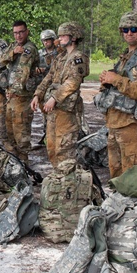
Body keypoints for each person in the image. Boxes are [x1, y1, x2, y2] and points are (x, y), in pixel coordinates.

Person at [96, 11, 137, 179]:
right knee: (116, 176)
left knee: (134, 179)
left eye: (134, 29)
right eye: (125, 29)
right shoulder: (125, 57)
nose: (129, 33)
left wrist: (117, 80)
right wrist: (107, 83)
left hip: (133, 126)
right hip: (115, 124)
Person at [33, 22, 89, 168]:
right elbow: (49, 77)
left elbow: (73, 82)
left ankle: (68, 184)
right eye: (60, 35)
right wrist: (37, 94)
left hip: (67, 111)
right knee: (51, 148)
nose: (60, 38)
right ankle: (59, 181)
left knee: (64, 150)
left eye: (64, 35)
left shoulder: (79, 58)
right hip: (54, 111)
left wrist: (54, 97)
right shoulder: (60, 57)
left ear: (74, 37)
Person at [0, 21, 39, 163]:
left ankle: (24, 167)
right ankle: (15, 167)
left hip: (22, 98)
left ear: (27, 31)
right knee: (10, 134)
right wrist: (12, 52)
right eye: (15, 33)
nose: (18, 35)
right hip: (11, 97)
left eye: (21, 32)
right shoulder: (13, 46)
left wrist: (13, 90)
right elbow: (2, 60)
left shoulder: (29, 49)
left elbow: (22, 73)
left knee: (21, 137)